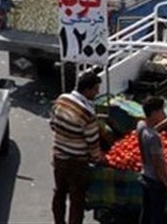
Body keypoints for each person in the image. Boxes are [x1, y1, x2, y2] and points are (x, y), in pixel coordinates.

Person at [49, 70, 104, 224]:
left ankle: (59, 221)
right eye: (95, 90)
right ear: (87, 90)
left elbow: (52, 124)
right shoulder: (88, 113)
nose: (97, 93)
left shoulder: (61, 100)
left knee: (59, 192)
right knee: (77, 197)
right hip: (77, 161)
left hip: (59, 156)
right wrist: (98, 157)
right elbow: (92, 142)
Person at [137, 96, 167, 224]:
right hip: (156, 182)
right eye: (162, 111)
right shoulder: (154, 138)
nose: (164, 114)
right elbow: (158, 166)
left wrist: (163, 124)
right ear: (154, 113)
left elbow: (150, 131)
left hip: (145, 176)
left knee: (146, 212)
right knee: (157, 216)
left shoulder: (141, 125)